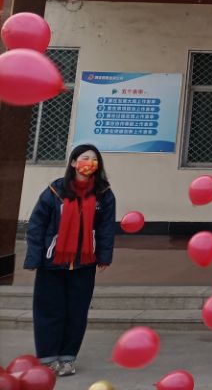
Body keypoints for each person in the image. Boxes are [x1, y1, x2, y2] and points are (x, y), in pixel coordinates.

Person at [24, 144, 116, 377]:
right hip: (52, 262)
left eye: (94, 159)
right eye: (84, 158)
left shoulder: (104, 194)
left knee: (77, 312)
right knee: (49, 310)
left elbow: (106, 229)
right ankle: (47, 358)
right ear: (74, 162)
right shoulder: (54, 191)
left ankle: (67, 358)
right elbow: (37, 225)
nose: (89, 163)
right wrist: (34, 257)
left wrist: (104, 256)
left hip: (84, 263)